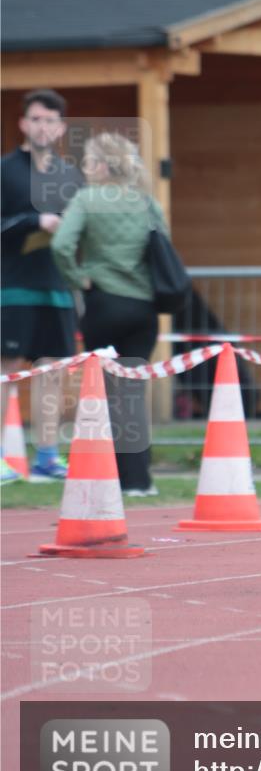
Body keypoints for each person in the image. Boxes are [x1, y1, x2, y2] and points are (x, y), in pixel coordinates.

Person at [52, 132, 168, 497]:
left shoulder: (86, 199)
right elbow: (163, 246)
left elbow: (61, 244)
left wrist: (77, 278)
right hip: (143, 308)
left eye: (88, 161)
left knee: (101, 392)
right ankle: (139, 480)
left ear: (103, 166)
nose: (85, 168)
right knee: (132, 391)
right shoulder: (146, 202)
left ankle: (106, 475)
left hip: (103, 303)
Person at [1, 88, 84, 482]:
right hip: (13, 286)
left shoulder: (70, 175)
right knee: (6, 369)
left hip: (57, 287)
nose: (43, 126)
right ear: (23, 124)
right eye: (35, 119)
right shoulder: (5, 170)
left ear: (61, 127)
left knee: (51, 371)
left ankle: (47, 457)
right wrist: (35, 222)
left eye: (50, 120)